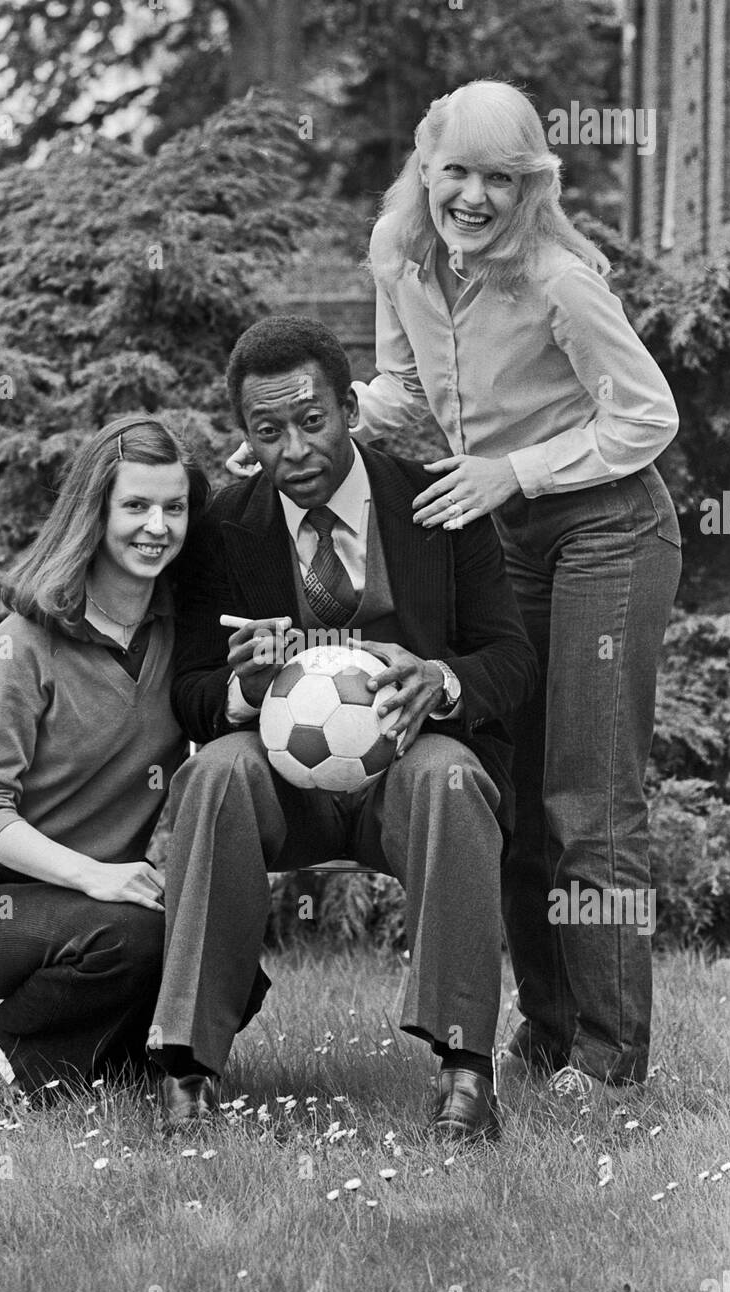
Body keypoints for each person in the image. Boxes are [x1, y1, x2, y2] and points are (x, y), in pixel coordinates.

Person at [230, 80, 681, 1095]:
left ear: (530, 187)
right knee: (511, 793)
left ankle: (611, 1060)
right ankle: (548, 1030)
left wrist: (512, 471)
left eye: (499, 179)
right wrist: (288, 447)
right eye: (456, 171)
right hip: (503, 533)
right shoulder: (399, 257)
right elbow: (397, 391)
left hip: (606, 527)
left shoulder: (559, 281)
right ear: (423, 163)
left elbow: (646, 417)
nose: (473, 196)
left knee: (586, 793)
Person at [147, 314, 538, 1142]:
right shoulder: (220, 528)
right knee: (214, 771)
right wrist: (243, 690)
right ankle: (188, 1064)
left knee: (452, 775)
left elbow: (512, 657)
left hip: (406, 772)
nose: (292, 448)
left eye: (311, 420)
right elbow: (187, 690)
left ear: (350, 408)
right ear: (245, 434)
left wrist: (441, 681)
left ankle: (466, 1071)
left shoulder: (439, 505)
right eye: (267, 430)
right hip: (282, 785)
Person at [0, 414, 210, 1102]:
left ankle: (106, 1061)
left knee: (228, 965)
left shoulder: (184, 636)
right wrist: (94, 876)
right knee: (134, 939)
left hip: (98, 898)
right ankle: (12, 1051)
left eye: (173, 508)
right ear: (95, 512)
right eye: (135, 506)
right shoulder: (22, 644)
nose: (157, 526)